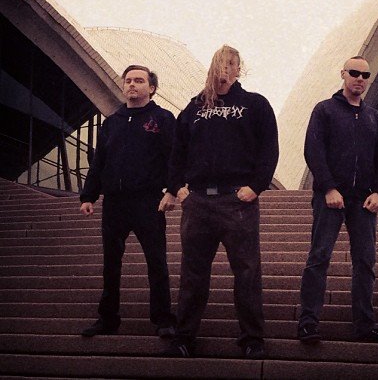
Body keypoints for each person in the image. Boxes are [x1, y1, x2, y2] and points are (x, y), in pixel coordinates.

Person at [159, 45, 279, 359]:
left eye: (231, 63)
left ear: (239, 69)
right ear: (212, 67)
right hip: (198, 201)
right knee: (193, 273)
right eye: (220, 63)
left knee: (247, 272)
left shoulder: (254, 104)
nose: (225, 68)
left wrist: (256, 187)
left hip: (237, 201)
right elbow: (176, 153)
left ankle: (252, 339)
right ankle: (184, 338)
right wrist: (178, 188)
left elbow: (269, 149)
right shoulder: (194, 107)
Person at [297, 56, 378, 344]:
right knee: (319, 257)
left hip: (363, 200)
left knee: (365, 261)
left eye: (365, 75)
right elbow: (313, 150)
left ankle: (364, 325)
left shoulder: (375, 118)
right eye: (354, 73)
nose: (360, 79)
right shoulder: (325, 110)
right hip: (330, 197)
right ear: (343, 74)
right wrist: (328, 188)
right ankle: (308, 322)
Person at [79, 65, 177, 338]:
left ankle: (163, 319)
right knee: (110, 263)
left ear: (151, 88)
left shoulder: (163, 118)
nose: (132, 84)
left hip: (148, 201)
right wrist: (88, 196)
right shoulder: (112, 122)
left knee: (156, 262)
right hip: (114, 203)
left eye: (139, 81)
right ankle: (108, 318)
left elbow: (174, 157)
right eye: (128, 81)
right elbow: (99, 162)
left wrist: (172, 190)